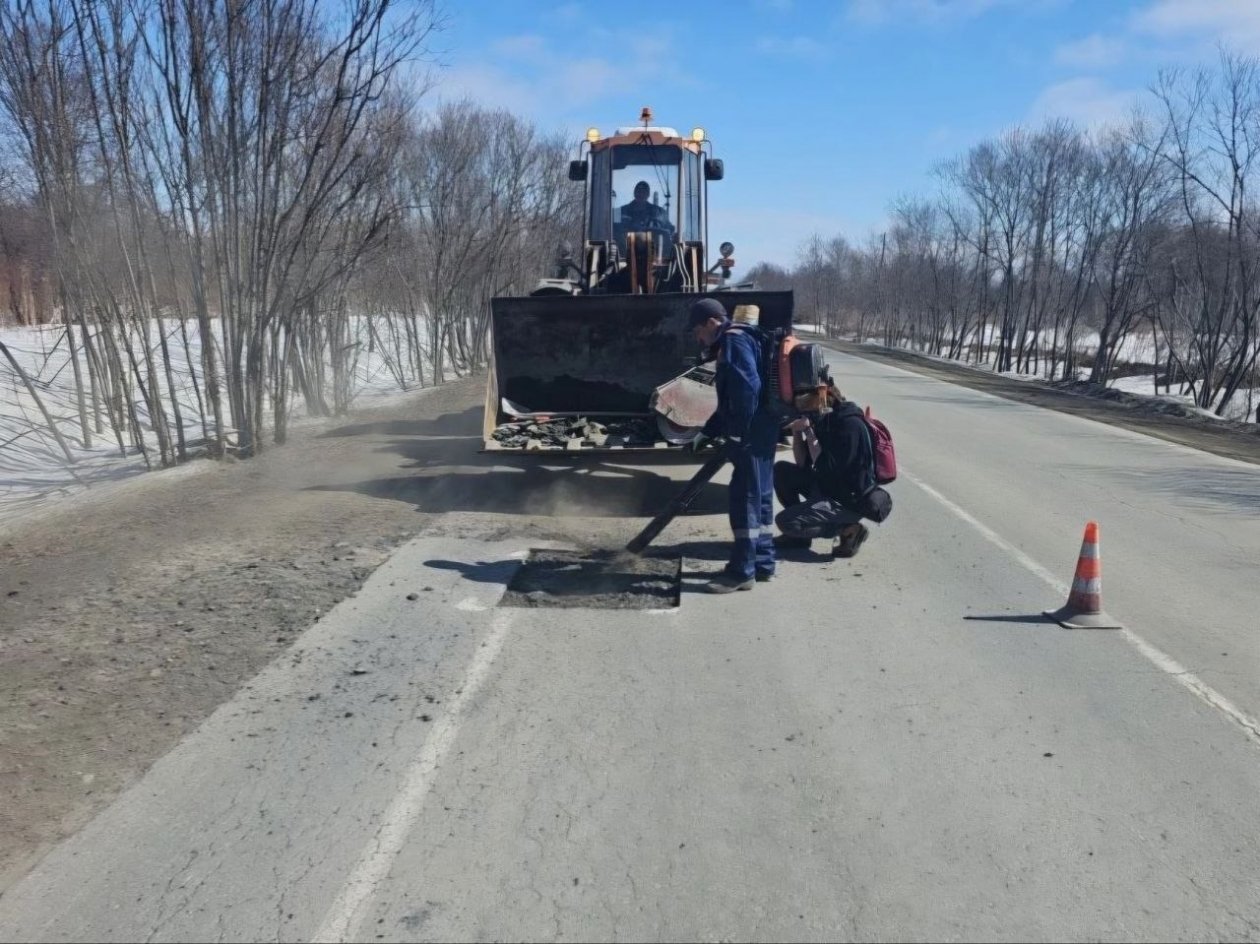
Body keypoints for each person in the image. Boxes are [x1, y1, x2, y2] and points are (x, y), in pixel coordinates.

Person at [687, 297, 779, 592]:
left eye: (697, 331)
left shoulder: (733, 340)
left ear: (711, 322)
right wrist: (710, 431)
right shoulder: (747, 335)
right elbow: (732, 398)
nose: (698, 339)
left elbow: (746, 389)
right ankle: (763, 562)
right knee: (761, 496)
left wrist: (737, 432)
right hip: (764, 428)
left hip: (751, 434)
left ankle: (741, 572)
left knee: (745, 499)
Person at [773, 376, 892, 558]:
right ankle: (799, 538)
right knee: (782, 471)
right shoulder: (827, 420)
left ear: (824, 398)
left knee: (786, 522)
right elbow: (803, 463)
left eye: (807, 405)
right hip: (828, 486)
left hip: (846, 499)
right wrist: (797, 432)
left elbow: (826, 467)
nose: (806, 411)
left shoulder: (850, 426)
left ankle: (849, 528)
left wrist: (809, 433)